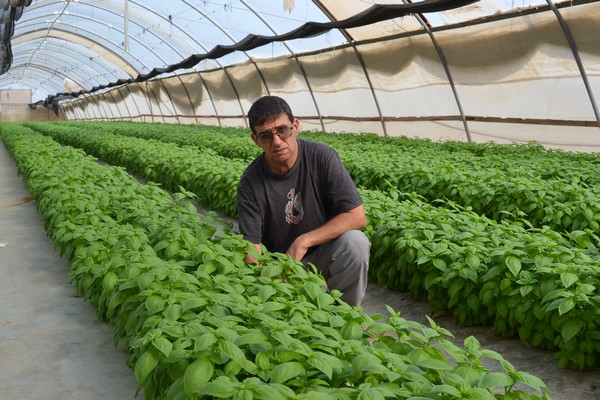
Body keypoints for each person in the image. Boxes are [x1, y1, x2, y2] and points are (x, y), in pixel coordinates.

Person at [236, 95, 371, 306]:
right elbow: (251, 248)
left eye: (282, 130)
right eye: (266, 136)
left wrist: (304, 241)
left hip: (324, 252)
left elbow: (357, 216)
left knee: (356, 243)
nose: (277, 142)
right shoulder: (250, 183)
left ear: (295, 126)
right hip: (284, 266)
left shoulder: (322, 157)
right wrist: (262, 291)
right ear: (255, 140)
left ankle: (345, 316)